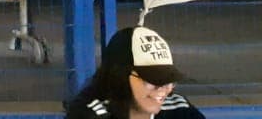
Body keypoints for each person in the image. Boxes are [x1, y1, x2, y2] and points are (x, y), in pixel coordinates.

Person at [65, 26, 204, 118]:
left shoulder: (178, 108)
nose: (163, 89)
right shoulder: (91, 113)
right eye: (153, 80)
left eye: (168, 80)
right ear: (120, 77)